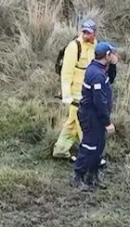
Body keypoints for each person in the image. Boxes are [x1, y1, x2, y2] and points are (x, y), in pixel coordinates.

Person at [71, 42, 117, 191]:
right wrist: (107, 122)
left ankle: (92, 176)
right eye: (112, 54)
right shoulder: (96, 74)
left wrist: (114, 65)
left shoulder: (99, 69)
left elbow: (110, 79)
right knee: (89, 146)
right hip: (91, 117)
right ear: (107, 55)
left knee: (98, 147)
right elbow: (99, 102)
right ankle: (78, 177)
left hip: (96, 116)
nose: (115, 55)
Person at [53, 19, 98, 161]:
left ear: (94, 34)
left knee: (73, 122)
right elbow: (66, 73)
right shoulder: (74, 47)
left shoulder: (96, 45)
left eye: (88, 33)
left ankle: (60, 150)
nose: (85, 35)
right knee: (84, 123)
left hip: (89, 92)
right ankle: (90, 155)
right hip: (76, 94)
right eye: (83, 32)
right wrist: (66, 95)